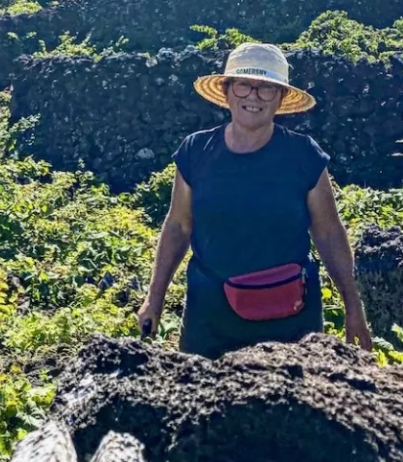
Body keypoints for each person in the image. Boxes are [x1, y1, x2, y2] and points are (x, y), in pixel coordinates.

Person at [137, 42, 372, 359]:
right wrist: (154, 299)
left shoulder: (304, 155)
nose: (253, 96)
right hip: (210, 319)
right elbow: (178, 227)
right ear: (227, 91)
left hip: (290, 319)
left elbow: (329, 232)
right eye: (243, 84)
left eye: (266, 88)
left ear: (281, 97)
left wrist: (353, 307)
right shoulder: (195, 152)